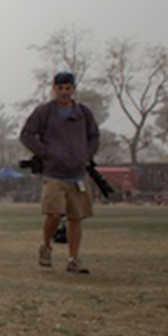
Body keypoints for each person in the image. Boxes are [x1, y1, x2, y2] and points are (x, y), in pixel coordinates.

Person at [19, 71, 101, 274]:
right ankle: (46, 245)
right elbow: (27, 135)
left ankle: (74, 259)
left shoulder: (83, 113)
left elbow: (94, 136)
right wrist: (46, 153)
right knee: (54, 213)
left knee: (75, 217)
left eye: (68, 88)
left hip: (78, 174)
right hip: (54, 173)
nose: (64, 92)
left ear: (73, 89)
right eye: (60, 88)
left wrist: (86, 154)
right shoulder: (44, 112)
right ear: (54, 89)